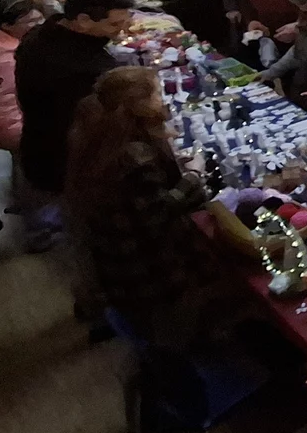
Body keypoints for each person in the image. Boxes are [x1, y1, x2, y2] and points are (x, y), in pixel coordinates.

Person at [65, 67, 248, 350]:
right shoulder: (134, 159)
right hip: (153, 281)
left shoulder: (99, 139)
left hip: (120, 272)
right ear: (136, 107)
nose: (162, 101)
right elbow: (159, 214)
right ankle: (207, 344)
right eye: (157, 94)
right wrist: (194, 176)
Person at [15, 0, 136, 251]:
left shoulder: (41, 34)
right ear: (83, 21)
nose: (122, 31)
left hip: (39, 138)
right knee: (84, 223)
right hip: (68, 153)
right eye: (114, 25)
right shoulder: (81, 68)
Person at [0, 0, 43, 154]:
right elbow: (7, 108)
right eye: (31, 21)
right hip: (18, 131)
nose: (40, 25)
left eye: (40, 19)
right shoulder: (6, 60)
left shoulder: (8, 45)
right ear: (6, 26)